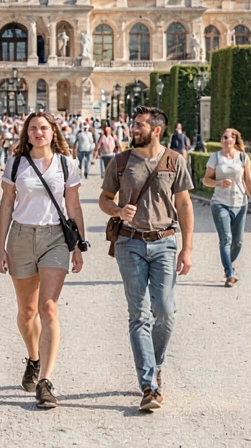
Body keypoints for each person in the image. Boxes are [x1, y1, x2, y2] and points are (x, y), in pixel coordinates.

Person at [99, 106, 195, 412]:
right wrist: (117, 210)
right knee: (138, 314)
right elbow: (104, 199)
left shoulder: (174, 161)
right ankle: (149, 385)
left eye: (138, 125)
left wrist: (188, 248)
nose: (132, 129)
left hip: (165, 242)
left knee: (165, 311)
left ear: (156, 129)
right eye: (133, 124)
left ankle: (155, 365)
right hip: (129, 243)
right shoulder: (121, 161)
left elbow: (184, 205)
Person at [0, 112, 85, 409]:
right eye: (33, 128)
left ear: (52, 132)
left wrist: (79, 246)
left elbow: (73, 205)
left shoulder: (66, 164)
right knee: (26, 311)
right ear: (27, 133)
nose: (38, 132)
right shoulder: (16, 163)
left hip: (55, 238)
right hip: (21, 236)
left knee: (48, 307)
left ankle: (45, 380)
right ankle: (33, 358)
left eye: (43, 128)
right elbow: (7, 204)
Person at [201, 128, 251, 287]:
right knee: (226, 239)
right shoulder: (215, 157)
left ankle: (229, 263)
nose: (224, 139)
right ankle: (229, 273)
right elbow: (206, 180)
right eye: (223, 137)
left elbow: (249, 182)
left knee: (238, 242)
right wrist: (219, 183)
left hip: (240, 203)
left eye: (228, 137)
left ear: (234, 140)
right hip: (220, 202)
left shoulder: (243, 157)